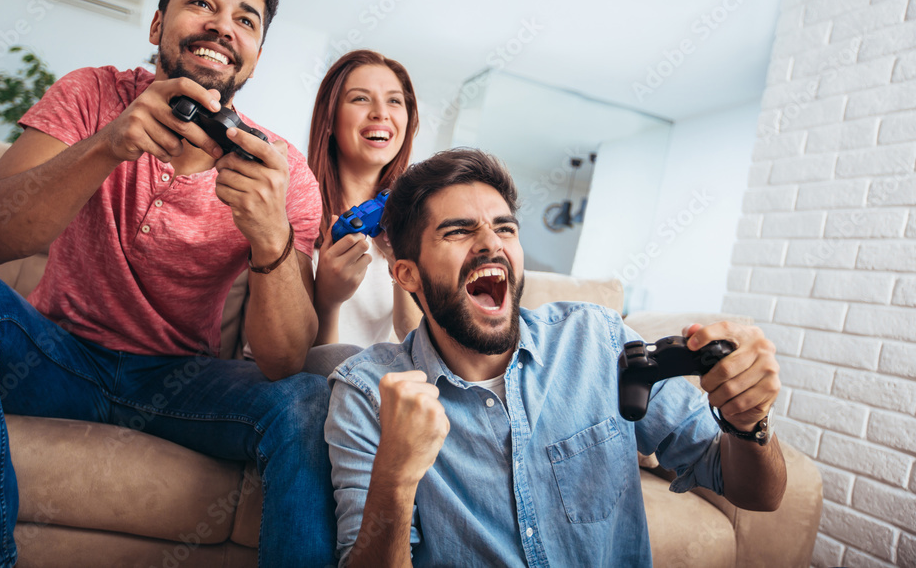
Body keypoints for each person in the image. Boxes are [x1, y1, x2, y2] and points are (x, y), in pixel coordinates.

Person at [0, 0, 336, 567]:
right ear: (157, 24)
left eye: (246, 19)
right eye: (202, 2)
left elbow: (282, 363)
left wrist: (271, 235)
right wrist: (109, 143)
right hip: (55, 360)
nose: (223, 26)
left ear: (254, 53)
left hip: (181, 383)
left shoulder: (283, 171)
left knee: (307, 400)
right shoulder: (90, 95)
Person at [324, 148, 787, 567]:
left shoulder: (599, 341)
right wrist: (396, 479)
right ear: (408, 274)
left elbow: (757, 494)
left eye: (504, 227)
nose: (491, 244)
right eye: (460, 231)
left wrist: (749, 421)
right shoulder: (367, 393)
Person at [306, 50, 422, 348]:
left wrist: (399, 260)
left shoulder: (416, 224)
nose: (381, 113)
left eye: (394, 101)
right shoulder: (292, 212)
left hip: (369, 389)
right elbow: (296, 365)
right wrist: (326, 300)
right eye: (360, 98)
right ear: (329, 119)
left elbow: (414, 341)